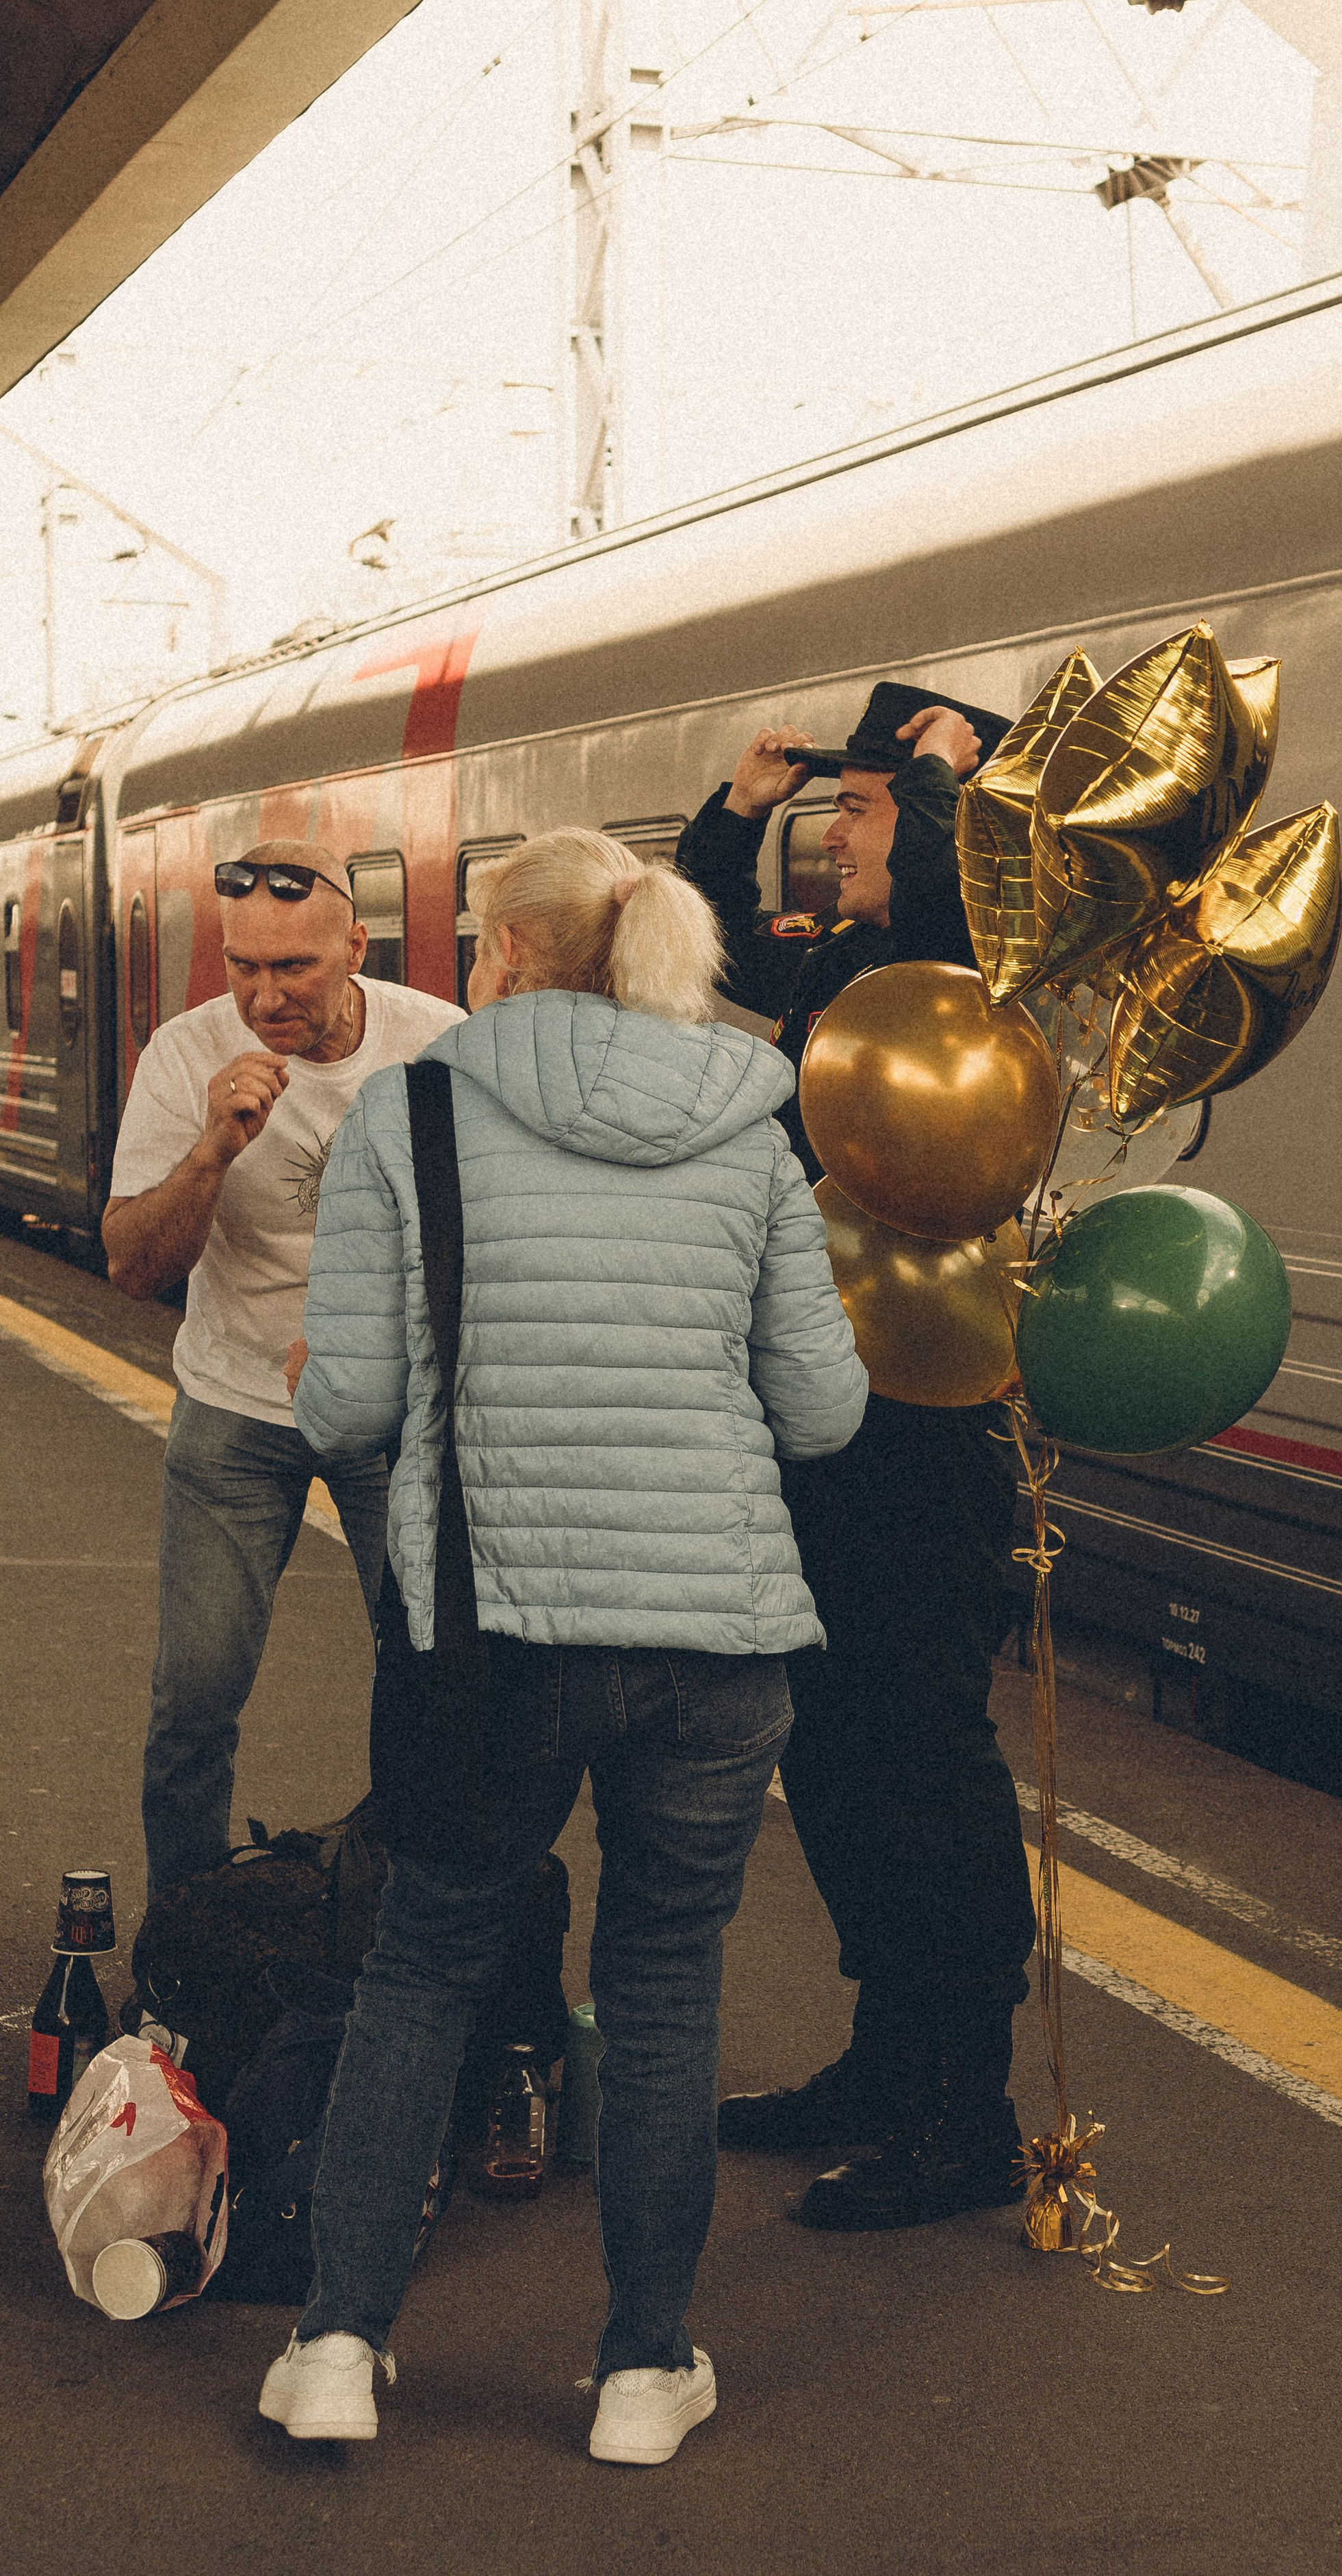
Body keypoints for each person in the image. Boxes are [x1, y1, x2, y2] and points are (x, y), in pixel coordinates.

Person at [258, 827, 866, 2462]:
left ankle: (336, 2346)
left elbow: (350, 1407)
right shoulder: (750, 1123)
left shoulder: (414, 1112)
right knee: (662, 1985)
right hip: (714, 1638)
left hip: (493, 1634)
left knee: (423, 1965)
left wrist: (328, 1375)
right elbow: (821, 1412)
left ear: (511, 956)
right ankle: (642, 2376)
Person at [673, 680, 1040, 2233]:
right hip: (830, 1423)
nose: (838, 831)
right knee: (832, 1752)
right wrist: (736, 818)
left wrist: (951, 789)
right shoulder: (844, 974)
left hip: (930, 1434)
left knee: (922, 1763)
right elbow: (700, 955)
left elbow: (967, 906)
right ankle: (886, 2060)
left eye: (864, 809)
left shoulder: (971, 982)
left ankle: (965, 2111)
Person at [103, 841, 465, 1898]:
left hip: (393, 1417)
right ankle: (186, 1931)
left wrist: (374, 1337)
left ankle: (407, 1932)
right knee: (194, 1697)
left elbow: (491, 1244)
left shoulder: (438, 1046)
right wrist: (213, 1150)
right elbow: (133, 1267)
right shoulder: (186, 1055)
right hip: (237, 1412)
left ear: (355, 946)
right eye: (243, 967)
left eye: (294, 967)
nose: (265, 997)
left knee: (434, 1683)